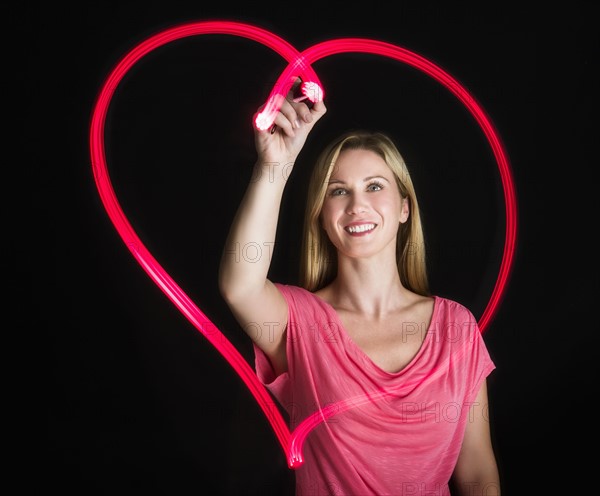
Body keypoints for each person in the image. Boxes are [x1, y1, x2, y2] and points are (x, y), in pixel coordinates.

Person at [218, 79, 501, 496]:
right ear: (321, 214)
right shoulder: (300, 322)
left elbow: (476, 473)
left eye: (374, 186)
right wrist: (275, 165)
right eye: (338, 191)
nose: (356, 205)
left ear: (404, 208)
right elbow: (240, 285)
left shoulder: (457, 327)